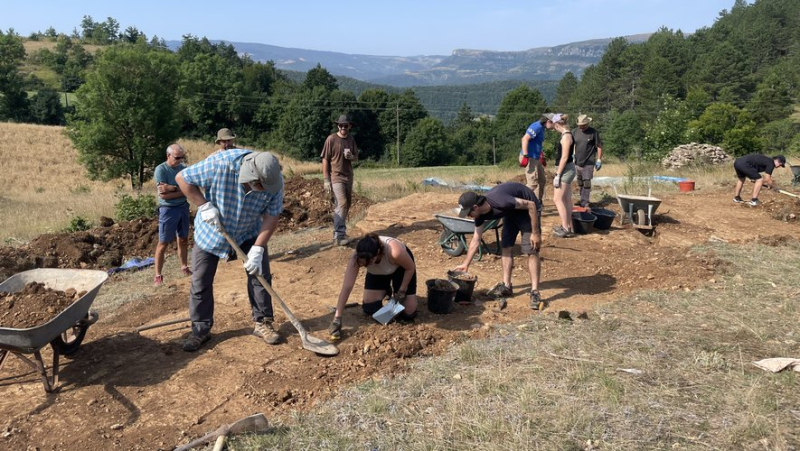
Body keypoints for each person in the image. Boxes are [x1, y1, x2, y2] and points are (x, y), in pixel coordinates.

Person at [175, 148, 284, 352]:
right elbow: (182, 178)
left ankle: (263, 323)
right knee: (200, 281)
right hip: (212, 232)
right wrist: (204, 205)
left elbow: (272, 215)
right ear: (251, 175)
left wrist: (258, 248)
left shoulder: (274, 180)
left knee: (260, 276)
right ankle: (200, 329)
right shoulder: (220, 164)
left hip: (248, 232)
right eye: (260, 185)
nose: (264, 190)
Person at [454, 182, 545, 310]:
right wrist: (466, 264)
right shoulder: (479, 216)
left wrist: (535, 233)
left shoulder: (501, 201)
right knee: (506, 247)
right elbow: (476, 239)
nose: (469, 216)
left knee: (531, 250)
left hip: (528, 210)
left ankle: (535, 291)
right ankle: (507, 286)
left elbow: (531, 205)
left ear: (475, 207)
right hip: (510, 212)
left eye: (469, 213)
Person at [328, 234, 418, 340]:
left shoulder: (395, 252)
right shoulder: (357, 258)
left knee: (408, 313)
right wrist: (337, 318)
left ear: (378, 253)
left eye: (369, 262)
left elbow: (410, 268)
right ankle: (386, 291)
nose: (365, 265)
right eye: (362, 263)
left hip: (401, 269)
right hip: (378, 273)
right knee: (370, 308)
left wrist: (402, 291)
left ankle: (398, 293)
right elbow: (347, 287)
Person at [153, 144, 192, 286]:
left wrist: (172, 188)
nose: (180, 160)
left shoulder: (183, 169)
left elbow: (190, 189)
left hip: (183, 207)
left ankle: (184, 266)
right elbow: (164, 196)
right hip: (168, 210)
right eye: (177, 158)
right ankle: (158, 275)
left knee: (183, 239)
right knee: (163, 242)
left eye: (182, 157)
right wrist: (181, 190)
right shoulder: (161, 169)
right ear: (168, 156)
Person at [322, 114, 359, 246]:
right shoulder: (331, 139)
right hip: (336, 177)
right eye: (341, 125)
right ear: (338, 126)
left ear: (349, 126)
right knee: (342, 203)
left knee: (346, 204)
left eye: (346, 125)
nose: (343, 127)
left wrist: (351, 156)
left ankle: (341, 232)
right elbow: (325, 159)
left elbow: (356, 157)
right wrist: (326, 179)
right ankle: (338, 235)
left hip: (348, 177)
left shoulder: (351, 139)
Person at [520, 113, 556, 201]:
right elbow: (525, 139)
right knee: (532, 184)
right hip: (530, 157)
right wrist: (525, 155)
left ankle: (538, 202)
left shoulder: (542, 128)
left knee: (542, 181)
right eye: (553, 123)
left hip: (536, 157)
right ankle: (518, 200)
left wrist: (541, 155)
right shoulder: (536, 127)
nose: (554, 126)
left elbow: (537, 143)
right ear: (548, 121)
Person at [551, 114, 576, 238]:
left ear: (557, 124)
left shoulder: (566, 137)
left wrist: (558, 174)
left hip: (565, 170)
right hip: (568, 169)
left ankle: (565, 228)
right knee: (566, 199)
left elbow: (565, 157)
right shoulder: (567, 134)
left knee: (557, 199)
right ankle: (569, 226)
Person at [572, 114, 603, 208]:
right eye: (580, 125)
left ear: (587, 123)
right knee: (580, 182)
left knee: (586, 182)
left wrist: (598, 159)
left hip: (589, 161)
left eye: (583, 125)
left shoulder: (593, 132)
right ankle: (582, 199)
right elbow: (573, 144)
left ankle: (585, 202)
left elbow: (599, 146)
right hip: (577, 161)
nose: (581, 127)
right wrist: (572, 154)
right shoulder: (575, 132)